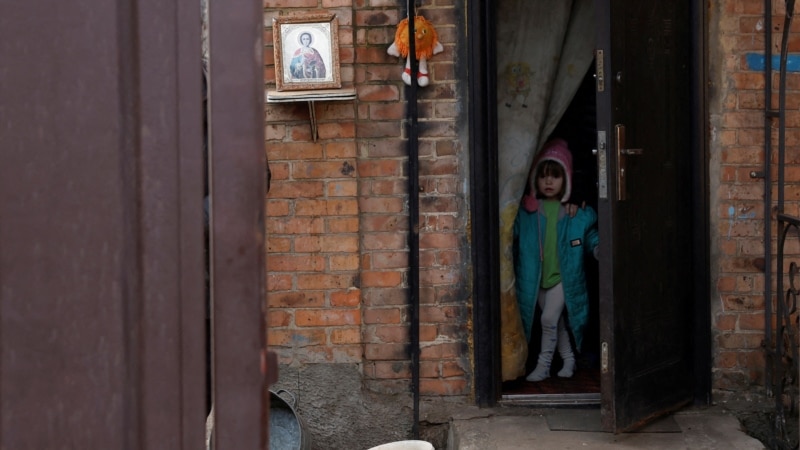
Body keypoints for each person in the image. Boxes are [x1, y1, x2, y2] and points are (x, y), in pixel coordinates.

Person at [513, 138, 599, 382]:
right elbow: (511, 233)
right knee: (556, 323)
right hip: (538, 278)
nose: (549, 182)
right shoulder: (527, 212)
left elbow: (588, 235)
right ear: (534, 180)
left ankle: (543, 366)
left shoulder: (573, 212)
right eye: (543, 176)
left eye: (555, 176)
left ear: (567, 180)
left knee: (548, 319)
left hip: (563, 277)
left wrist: (598, 248)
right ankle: (569, 360)